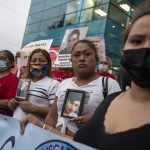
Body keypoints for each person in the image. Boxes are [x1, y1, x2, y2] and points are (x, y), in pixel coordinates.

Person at [73, 1, 150, 149]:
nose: (146, 47)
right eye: (137, 40)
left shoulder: (109, 86)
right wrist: (42, 127)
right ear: (123, 49)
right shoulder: (110, 100)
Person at [20, 39, 121, 138]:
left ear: (96, 59)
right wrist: (43, 137)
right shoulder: (64, 83)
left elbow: (119, 121)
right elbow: (52, 116)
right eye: (76, 55)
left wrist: (95, 120)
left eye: (87, 54)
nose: (82, 58)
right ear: (71, 60)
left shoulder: (109, 85)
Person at [9, 48, 59, 121]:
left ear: (48, 64)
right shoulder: (23, 81)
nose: (37, 63)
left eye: (41, 60)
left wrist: (33, 108)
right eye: (33, 60)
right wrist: (13, 104)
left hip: (34, 129)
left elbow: (55, 113)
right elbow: (18, 104)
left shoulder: (53, 84)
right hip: (15, 125)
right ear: (29, 63)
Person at [0, 50, 19, 116]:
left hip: (4, 118)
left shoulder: (13, 80)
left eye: (2, 58)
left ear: (11, 63)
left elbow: (10, 102)